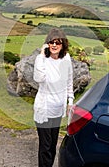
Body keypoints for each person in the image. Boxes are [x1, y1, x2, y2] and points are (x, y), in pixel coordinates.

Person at [33, 28, 74, 167]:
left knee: (52, 145)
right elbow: (38, 78)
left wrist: (70, 101)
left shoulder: (66, 59)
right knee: (45, 146)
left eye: (58, 42)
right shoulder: (43, 60)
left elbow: (69, 81)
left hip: (57, 110)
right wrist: (40, 55)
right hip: (44, 109)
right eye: (51, 42)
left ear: (63, 45)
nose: (54, 45)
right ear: (47, 44)